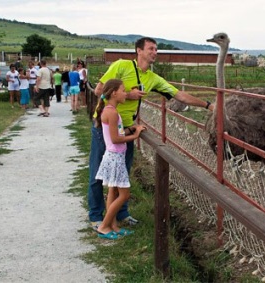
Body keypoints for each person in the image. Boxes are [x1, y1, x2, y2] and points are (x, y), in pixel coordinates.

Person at [88, 36, 214, 231]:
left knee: (122, 174)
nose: (155, 52)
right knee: (98, 172)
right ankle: (96, 216)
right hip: (104, 127)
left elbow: (178, 95)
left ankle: (121, 214)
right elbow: (98, 90)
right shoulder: (122, 66)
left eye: (156, 49)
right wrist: (128, 95)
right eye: (151, 49)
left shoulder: (153, 78)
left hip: (127, 128)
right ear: (139, 51)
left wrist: (208, 105)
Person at [94, 79, 146, 239]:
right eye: (123, 90)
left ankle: (113, 225)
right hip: (115, 157)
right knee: (124, 195)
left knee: (113, 190)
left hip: (113, 156)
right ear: (114, 93)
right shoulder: (113, 113)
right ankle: (103, 226)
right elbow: (116, 139)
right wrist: (136, 135)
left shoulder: (109, 111)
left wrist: (131, 129)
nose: (126, 94)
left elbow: (117, 133)